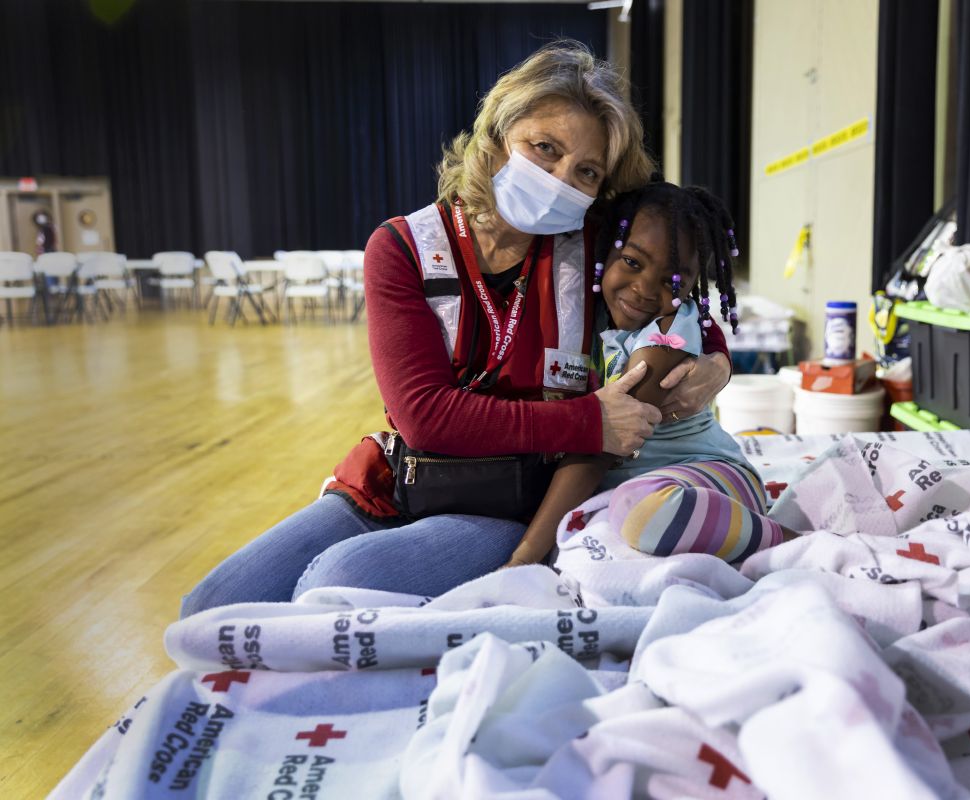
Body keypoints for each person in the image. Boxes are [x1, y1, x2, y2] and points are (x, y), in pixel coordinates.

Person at [180, 42, 732, 616]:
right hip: (406, 478)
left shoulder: (589, 246)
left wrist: (717, 354)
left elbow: (672, 273)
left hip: (513, 502)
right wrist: (589, 420)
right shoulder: (402, 247)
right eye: (544, 149)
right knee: (210, 605)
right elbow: (425, 416)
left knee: (334, 583)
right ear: (494, 141)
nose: (560, 180)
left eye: (586, 171)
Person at [504, 182, 791, 568]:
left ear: (692, 286)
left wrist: (522, 558)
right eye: (633, 263)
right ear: (606, 248)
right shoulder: (584, 314)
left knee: (637, 511)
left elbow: (600, 448)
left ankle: (785, 540)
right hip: (636, 491)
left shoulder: (667, 333)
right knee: (601, 531)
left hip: (711, 479)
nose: (643, 290)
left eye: (672, 281)